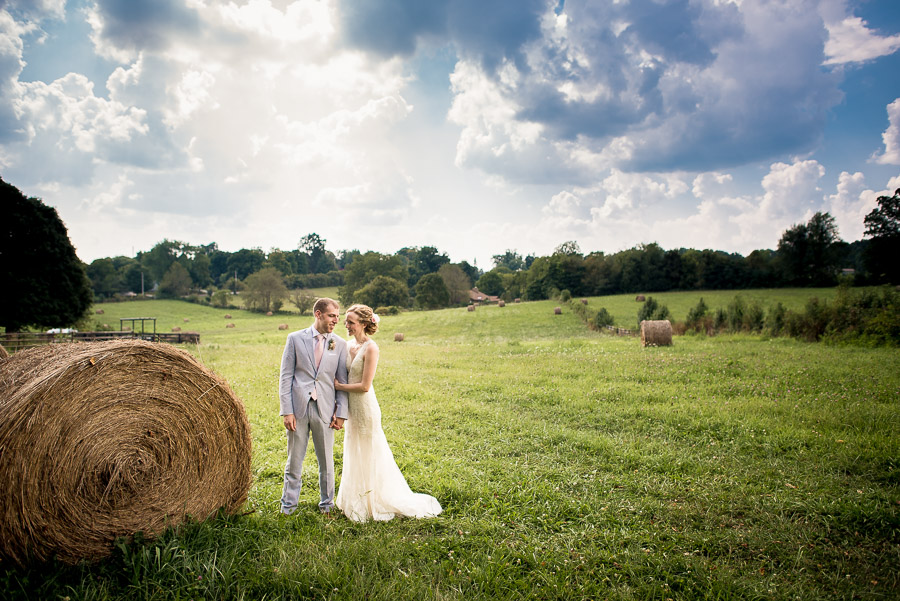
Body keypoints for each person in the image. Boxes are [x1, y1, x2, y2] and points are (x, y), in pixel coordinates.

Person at [334, 303, 442, 522]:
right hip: (351, 410)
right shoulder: (347, 345)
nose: (346, 325)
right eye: (346, 321)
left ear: (364, 324)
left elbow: (365, 385)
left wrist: (339, 387)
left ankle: (375, 500)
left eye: (351, 322)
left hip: (365, 408)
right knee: (353, 450)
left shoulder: (371, 348)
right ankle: (354, 499)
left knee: (370, 452)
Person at [279, 297, 349, 515]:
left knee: (327, 462)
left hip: (326, 410)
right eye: (331, 316)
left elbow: (341, 382)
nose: (336, 321)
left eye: (338, 316)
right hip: (298, 409)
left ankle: (327, 505)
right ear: (318, 314)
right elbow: (285, 376)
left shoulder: (340, 344)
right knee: (294, 461)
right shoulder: (294, 339)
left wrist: (341, 413)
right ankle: (288, 506)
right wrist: (287, 410)